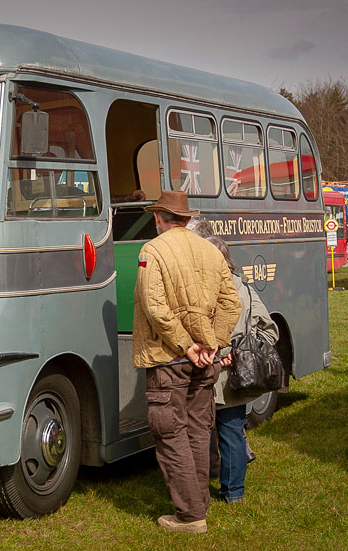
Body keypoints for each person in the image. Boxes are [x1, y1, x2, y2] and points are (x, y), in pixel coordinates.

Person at [132, 191, 241, 533]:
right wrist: (213, 344)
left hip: (168, 358)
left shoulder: (153, 249)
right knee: (196, 429)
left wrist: (186, 345)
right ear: (186, 218)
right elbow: (231, 304)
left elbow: (155, 307)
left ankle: (190, 515)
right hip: (204, 359)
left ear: (158, 218)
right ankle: (199, 504)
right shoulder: (210, 249)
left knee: (170, 431)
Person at [206, 235, 279, 504]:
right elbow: (270, 331)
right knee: (232, 433)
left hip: (212, 374)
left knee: (208, 434)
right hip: (235, 377)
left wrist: (232, 355)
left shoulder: (206, 289)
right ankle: (233, 493)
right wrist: (243, 353)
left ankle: (203, 491)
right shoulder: (245, 288)